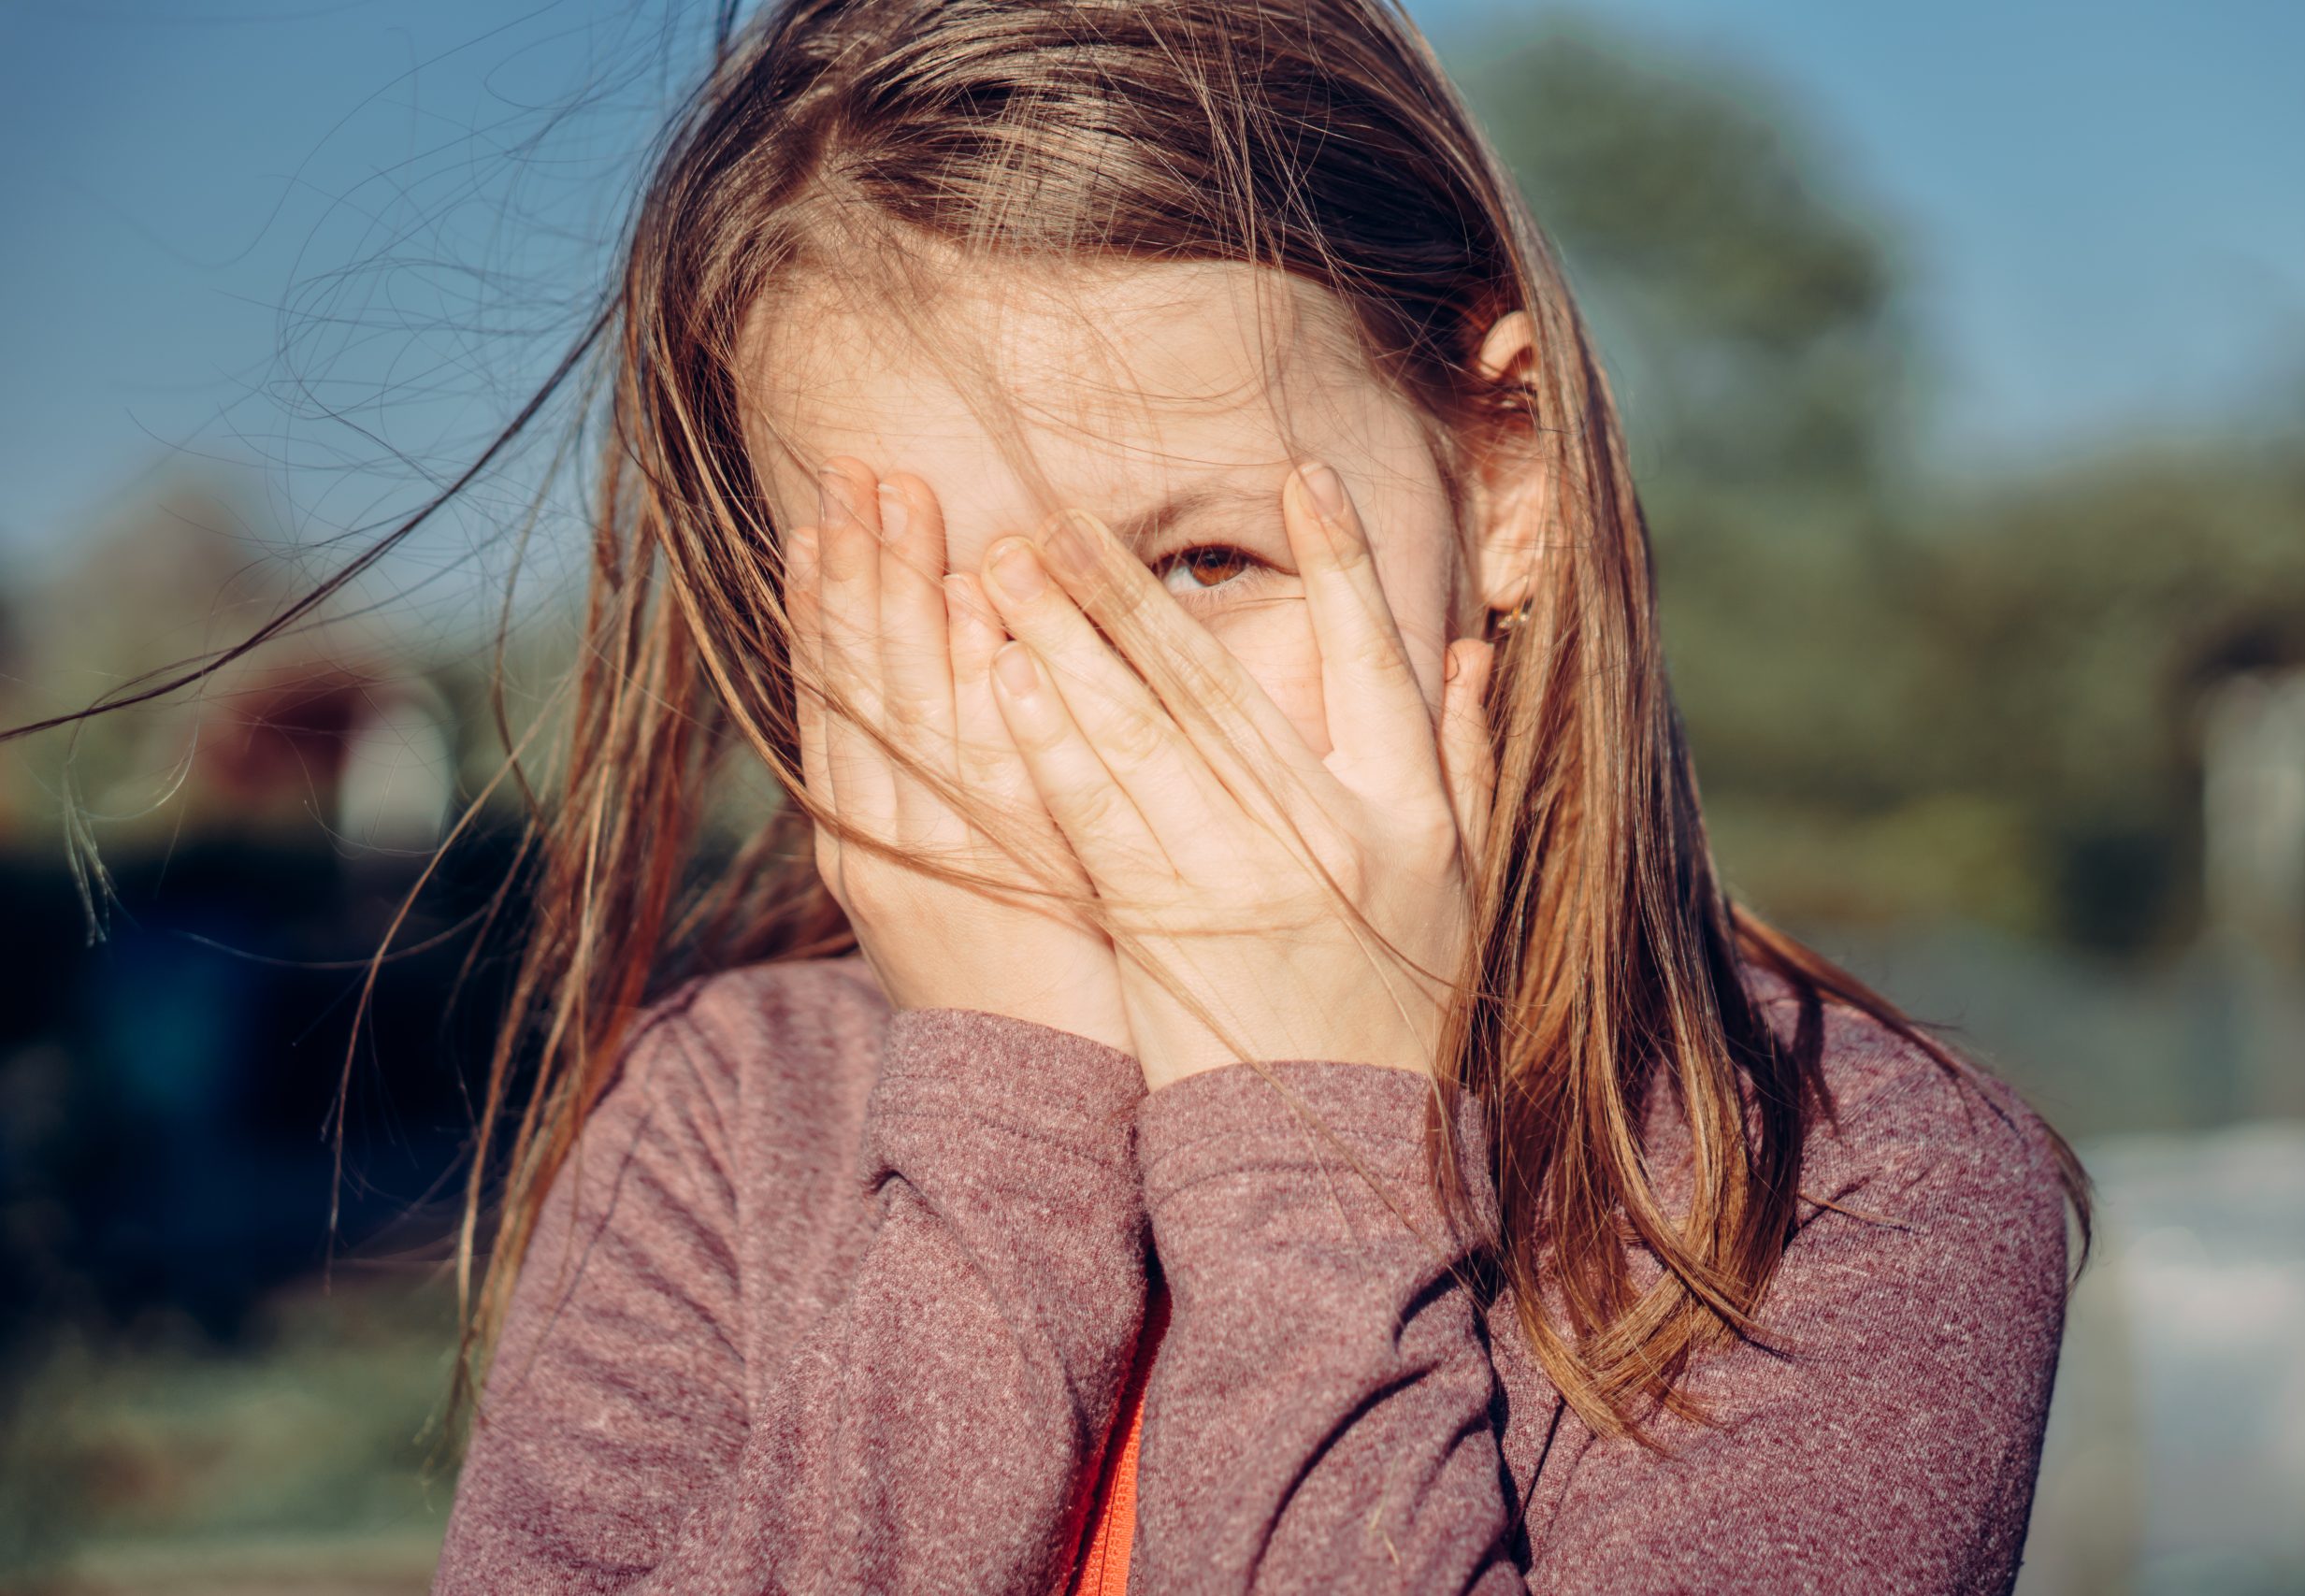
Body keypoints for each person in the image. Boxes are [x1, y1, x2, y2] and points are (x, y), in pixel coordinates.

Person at [397, 1, 2093, 1589]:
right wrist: (1003, 1127)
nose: (1086, 718)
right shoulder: (727, 1119)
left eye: (1207, 561)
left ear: (1507, 473)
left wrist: (1317, 1133)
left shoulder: (1840, 1196)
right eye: (942, 615)